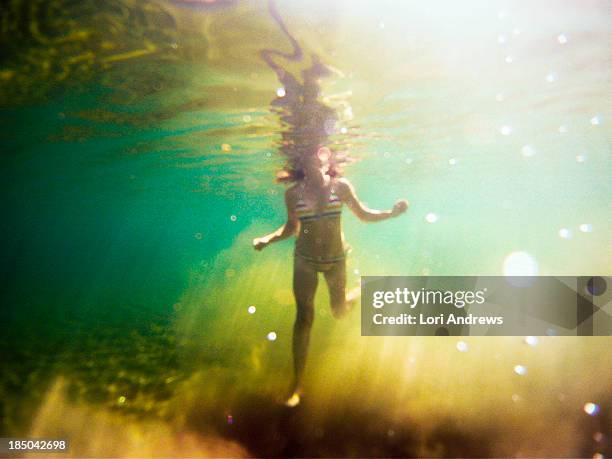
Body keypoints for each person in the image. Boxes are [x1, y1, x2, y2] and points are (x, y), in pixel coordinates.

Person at [253, 146, 409, 407]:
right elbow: (292, 228)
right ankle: (297, 384)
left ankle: (361, 291)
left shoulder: (341, 186)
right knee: (304, 318)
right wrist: (267, 239)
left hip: (336, 261)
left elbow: (363, 214)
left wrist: (390, 214)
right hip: (305, 260)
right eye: (308, 157)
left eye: (318, 155)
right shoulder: (293, 194)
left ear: (326, 159)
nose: (314, 161)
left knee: (339, 311)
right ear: (302, 162)